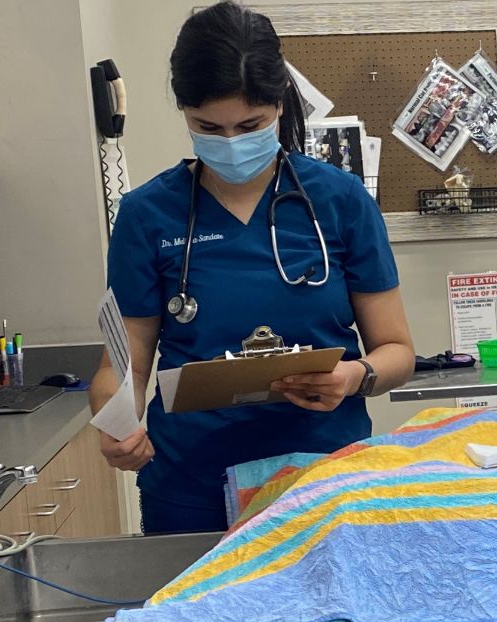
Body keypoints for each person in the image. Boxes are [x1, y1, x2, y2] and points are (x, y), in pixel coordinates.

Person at [91, 1, 415, 534]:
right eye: (208, 127)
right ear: (184, 113)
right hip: (189, 489)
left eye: (250, 124)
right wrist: (115, 423)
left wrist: (354, 376)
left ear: (279, 105)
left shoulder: (339, 201)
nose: (232, 144)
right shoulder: (147, 215)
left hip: (324, 480)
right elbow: (122, 366)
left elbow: (398, 352)